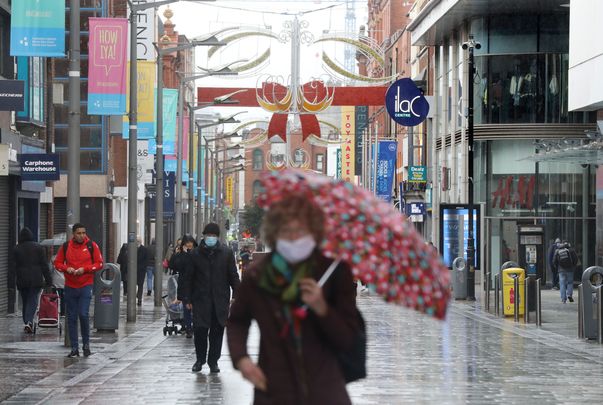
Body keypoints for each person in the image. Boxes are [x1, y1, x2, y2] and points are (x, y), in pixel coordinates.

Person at [227, 196, 360, 404]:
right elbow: (237, 320)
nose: (294, 238)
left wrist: (322, 308)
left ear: (313, 232)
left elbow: (348, 339)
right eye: (287, 232)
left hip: (325, 389)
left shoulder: (333, 272)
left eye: (301, 231)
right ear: (274, 234)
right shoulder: (257, 276)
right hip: (274, 388)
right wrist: (241, 358)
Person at [182, 223, 240, 373]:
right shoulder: (195, 254)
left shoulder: (226, 253)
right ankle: (200, 359)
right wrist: (187, 299)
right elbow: (188, 278)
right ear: (204, 236)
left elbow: (233, 276)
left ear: (217, 237)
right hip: (200, 300)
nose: (211, 238)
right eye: (209, 235)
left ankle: (213, 361)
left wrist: (237, 294)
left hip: (220, 300)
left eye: (214, 236)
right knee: (200, 331)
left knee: (217, 332)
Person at [54, 223, 103, 357]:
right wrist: (66, 269)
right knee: (71, 317)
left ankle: (86, 344)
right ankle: (74, 348)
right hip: (70, 286)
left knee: (83, 314)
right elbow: (57, 263)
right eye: (79, 233)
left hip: (86, 285)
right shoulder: (66, 247)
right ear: (73, 234)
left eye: (83, 233)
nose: (82, 235)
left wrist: (85, 269)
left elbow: (99, 263)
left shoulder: (91, 246)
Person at [11, 227, 52, 333]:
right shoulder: (38, 247)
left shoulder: (16, 249)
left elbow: (12, 267)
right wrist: (49, 280)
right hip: (36, 279)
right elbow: (44, 265)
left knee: (25, 301)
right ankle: (28, 321)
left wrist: (11, 282)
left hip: (22, 279)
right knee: (32, 300)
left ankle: (27, 322)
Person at [169, 234, 197, 338]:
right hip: (185, 285)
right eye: (187, 243)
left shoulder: (197, 253)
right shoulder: (181, 254)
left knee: (196, 308)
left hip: (196, 285)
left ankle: (196, 326)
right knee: (186, 308)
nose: (189, 244)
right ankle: (188, 328)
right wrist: (177, 254)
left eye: (190, 242)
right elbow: (173, 265)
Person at [136, 238, 147, 306]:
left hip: (141, 270)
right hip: (134, 270)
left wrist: (143, 268)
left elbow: (146, 260)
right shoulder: (131, 248)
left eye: (138, 241)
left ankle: (139, 298)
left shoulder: (144, 249)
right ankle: (136, 296)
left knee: (140, 285)